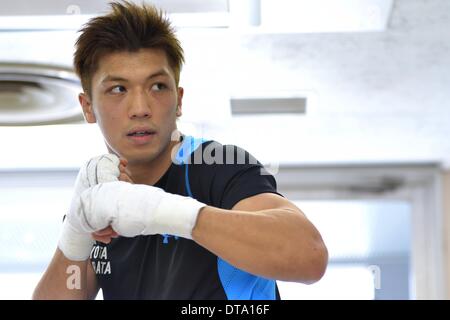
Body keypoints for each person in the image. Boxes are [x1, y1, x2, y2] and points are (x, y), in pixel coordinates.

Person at [33, 1, 328, 300]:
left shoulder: (216, 166)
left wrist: (163, 212)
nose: (141, 108)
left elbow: (310, 255)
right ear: (87, 107)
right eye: (118, 89)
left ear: (179, 99)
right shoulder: (100, 204)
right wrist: (76, 227)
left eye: (158, 86)